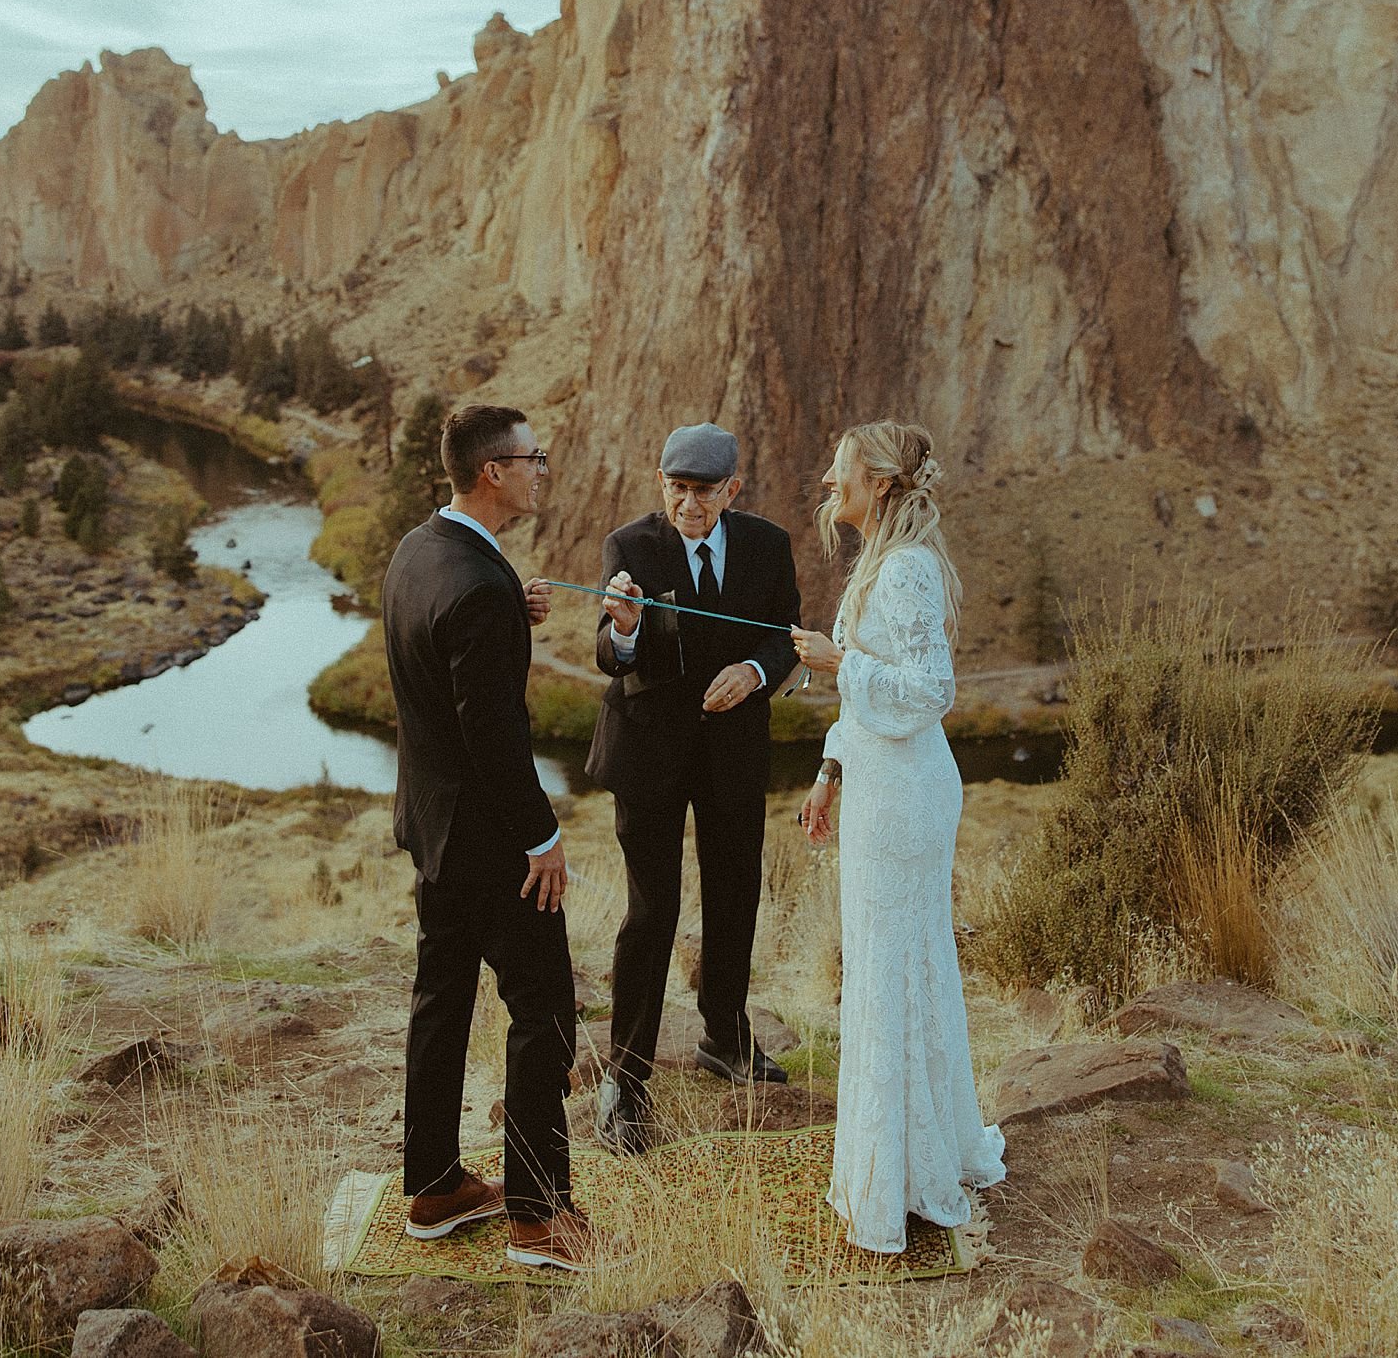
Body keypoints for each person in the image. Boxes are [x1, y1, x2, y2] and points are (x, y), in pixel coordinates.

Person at [382, 403, 593, 1272]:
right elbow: (495, 736)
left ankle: (433, 1190)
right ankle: (539, 1221)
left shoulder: (422, 551)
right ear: (493, 472)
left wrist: (515, 605)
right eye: (533, 458)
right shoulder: (476, 585)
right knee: (542, 1012)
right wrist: (542, 838)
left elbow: (445, 648)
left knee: (441, 1002)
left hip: (432, 831)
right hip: (491, 845)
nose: (544, 468)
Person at [792, 420, 1005, 1254]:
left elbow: (929, 692)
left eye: (841, 469)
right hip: (877, 785)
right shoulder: (878, 563)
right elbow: (864, 706)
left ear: (879, 483)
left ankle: (899, 1183)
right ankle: (912, 1156)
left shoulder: (907, 569)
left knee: (890, 969)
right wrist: (829, 772)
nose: (828, 481)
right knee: (895, 966)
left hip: (908, 799)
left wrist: (836, 662)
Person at [587, 422, 800, 1153]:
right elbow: (615, 659)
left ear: (731, 489)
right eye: (677, 488)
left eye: (703, 491)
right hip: (648, 754)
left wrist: (757, 673)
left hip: (734, 754)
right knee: (654, 909)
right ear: (662, 484)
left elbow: (784, 634)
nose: (688, 504)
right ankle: (626, 1079)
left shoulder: (769, 546)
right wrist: (622, 630)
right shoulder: (630, 547)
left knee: (736, 891)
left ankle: (725, 1038)